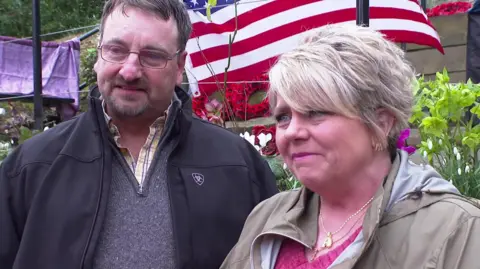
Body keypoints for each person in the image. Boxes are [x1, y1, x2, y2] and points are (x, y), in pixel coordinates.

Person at [0, 0, 278, 268]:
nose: (130, 70)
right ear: (98, 55)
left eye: (152, 56)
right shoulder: (30, 167)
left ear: (180, 65)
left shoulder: (239, 167)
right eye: (116, 50)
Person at [220, 23, 480, 269]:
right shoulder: (266, 217)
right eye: (283, 117)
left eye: (315, 112)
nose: (293, 132)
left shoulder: (457, 230)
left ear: (381, 123)